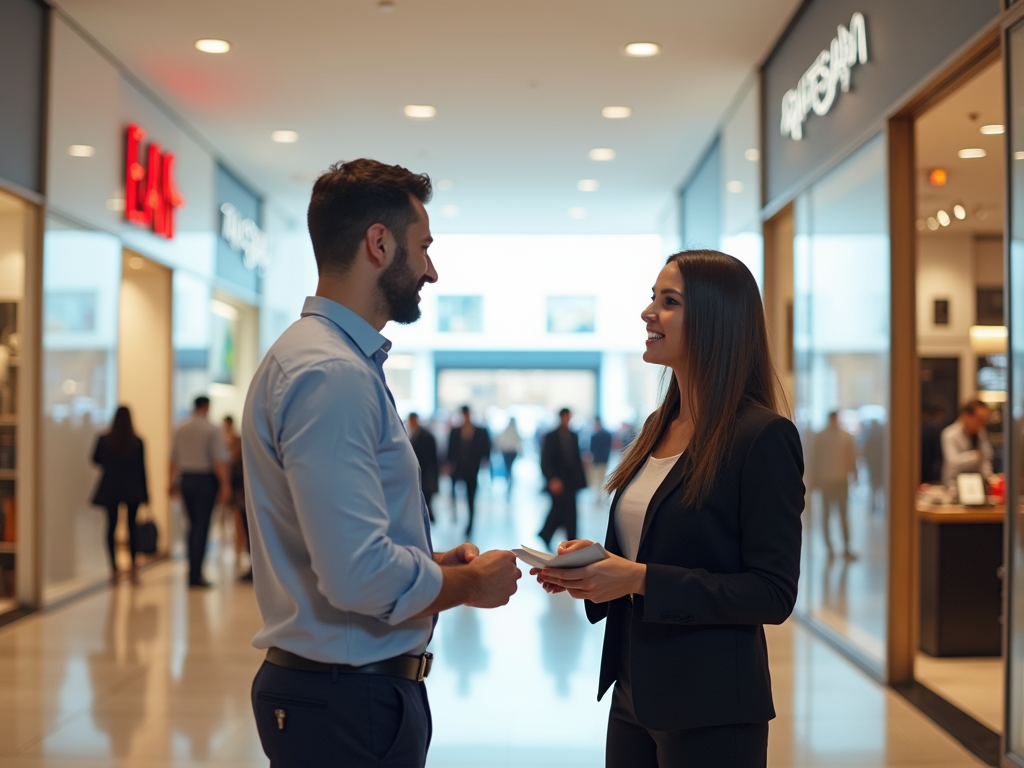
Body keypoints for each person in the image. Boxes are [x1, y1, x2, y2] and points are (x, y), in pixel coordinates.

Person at [241, 159, 520, 768]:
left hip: (340, 694)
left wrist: (430, 564)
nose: (431, 270)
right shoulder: (331, 372)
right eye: (423, 247)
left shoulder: (325, 358)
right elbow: (357, 574)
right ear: (379, 243)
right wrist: (469, 585)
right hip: (345, 703)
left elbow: (342, 546)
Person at [532, 250, 804, 768]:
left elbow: (771, 594)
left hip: (711, 707)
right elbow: (651, 544)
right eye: (652, 298)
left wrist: (637, 579)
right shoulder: (662, 420)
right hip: (634, 691)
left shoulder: (762, 437)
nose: (647, 313)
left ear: (716, 318)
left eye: (669, 301)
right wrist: (594, 567)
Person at [170, 396, 230, 588]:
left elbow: (173, 458)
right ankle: (196, 574)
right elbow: (218, 461)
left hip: (185, 479)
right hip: (204, 480)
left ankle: (192, 572)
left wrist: (170, 482)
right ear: (206, 407)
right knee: (202, 527)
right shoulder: (211, 429)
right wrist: (225, 485)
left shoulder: (181, 427)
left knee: (191, 525)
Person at [91, 405, 149, 585]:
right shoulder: (137, 442)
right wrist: (146, 495)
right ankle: (133, 569)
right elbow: (142, 470)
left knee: (111, 527)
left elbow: (95, 459)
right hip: (132, 489)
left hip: (111, 488)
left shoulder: (104, 440)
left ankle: (114, 569)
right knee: (132, 527)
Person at [812, 411, 859, 560]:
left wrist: (854, 473)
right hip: (828, 481)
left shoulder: (844, 436)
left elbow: (851, 457)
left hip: (839, 480)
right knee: (827, 516)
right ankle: (830, 547)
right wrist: (814, 480)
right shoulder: (822, 437)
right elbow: (815, 459)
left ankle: (845, 547)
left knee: (842, 515)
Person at [538, 408, 587, 549]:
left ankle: (569, 538)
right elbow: (545, 460)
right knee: (560, 509)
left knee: (569, 510)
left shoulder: (573, 435)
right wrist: (551, 479)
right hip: (558, 480)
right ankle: (549, 534)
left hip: (571, 481)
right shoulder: (551, 436)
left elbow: (575, 459)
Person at [446, 405, 491, 535]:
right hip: (458, 469)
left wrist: (484, 462)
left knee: (470, 498)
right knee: (453, 493)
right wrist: (448, 465)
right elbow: (450, 449)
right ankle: (454, 514)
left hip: (472, 471)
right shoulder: (455, 431)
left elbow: (486, 449)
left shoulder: (480, 431)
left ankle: (470, 523)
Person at [223, 416, 252, 581]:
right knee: (246, 533)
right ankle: (243, 559)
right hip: (246, 502)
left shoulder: (235, 463)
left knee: (242, 532)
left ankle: (242, 558)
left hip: (239, 502)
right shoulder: (249, 463)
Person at [941, 399, 993, 485]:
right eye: (979, 419)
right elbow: (952, 462)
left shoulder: (981, 433)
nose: (983, 423)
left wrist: (988, 477)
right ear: (966, 416)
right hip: (953, 482)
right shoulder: (949, 434)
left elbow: (986, 458)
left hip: (977, 482)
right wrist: (975, 456)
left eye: (985, 420)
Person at [407, 412, 439, 522]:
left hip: (426, 474)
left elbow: (432, 458)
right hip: (417, 475)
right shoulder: (410, 435)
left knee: (426, 500)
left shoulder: (426, 436)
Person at [587, 416, 613, 502]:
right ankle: (601, 496)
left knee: (598, 479)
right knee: (602, 478)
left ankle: (599, 497)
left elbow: (592, 449)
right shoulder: (607, 434)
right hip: (604, 460)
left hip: (598, 460)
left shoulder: (594, 435)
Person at [496, 417, 523, 499]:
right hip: (507, 451)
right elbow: (500, 440)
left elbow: (519, 441)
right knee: (508, 468)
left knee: (509, 467)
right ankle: (509, 480)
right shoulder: (508, 430)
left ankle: (509, 481)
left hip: (511, 452)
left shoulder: (514, 431)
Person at [920, 404, 945, 484]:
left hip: (921, 468)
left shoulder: (922, 427)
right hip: (932, 471)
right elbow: (939, 453)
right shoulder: (935, 428)